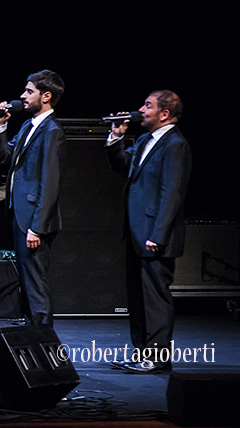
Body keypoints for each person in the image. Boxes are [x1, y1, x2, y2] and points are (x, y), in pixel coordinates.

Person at [106, 90, 191, 374]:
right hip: (135, 231)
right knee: (138, 297)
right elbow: (121, 165)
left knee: (155, 297)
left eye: (148, 106)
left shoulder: (175, 144)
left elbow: (172, 194)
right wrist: (116, 137)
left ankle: (157, 357)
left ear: (164, 114)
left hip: (154, 235)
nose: (141, 110)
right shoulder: (144, 140)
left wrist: (158, 233)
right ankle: (142, 353)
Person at [0, 69, 67, 327]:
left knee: (35, 282)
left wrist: (37, 227)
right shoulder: (27, 126)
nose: (22, 96)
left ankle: (43, 340)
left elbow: (50, 182)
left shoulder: (52, 131)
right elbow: (4, 159)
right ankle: (32, 334)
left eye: (29, 91)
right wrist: (0, 125)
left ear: (46, 96)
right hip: (21, 215)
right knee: (27, 281)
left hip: (34, 221)